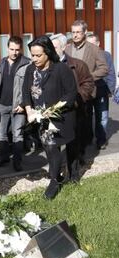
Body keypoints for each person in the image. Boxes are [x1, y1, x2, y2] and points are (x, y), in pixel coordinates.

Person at [22, 35, 77, 199]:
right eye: (32, 55)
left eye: (38, 55)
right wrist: (29, 111)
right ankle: (56, 179)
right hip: (41, 118)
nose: (34, 58)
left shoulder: (61, 69)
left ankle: (73, 173)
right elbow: (26, 93)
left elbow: (71, 93)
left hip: (61, 117)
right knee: (51, 148)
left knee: (68, 147)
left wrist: (54, 109)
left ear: (48, 53)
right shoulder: (30, 69)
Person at [51, 33, 94, 182]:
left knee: (72, 145)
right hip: (52, 113)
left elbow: (88, 83)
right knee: (53, 146)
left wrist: (75, 100)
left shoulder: (78, 64)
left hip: (72, 112)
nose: (51, 50)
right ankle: (55, 177)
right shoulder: (46, 66)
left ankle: (73, 176)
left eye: (54, 47)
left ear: (63, 47)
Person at [65, 20, 108, 152]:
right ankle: (78, 145)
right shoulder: (67, 48)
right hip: (71, 90)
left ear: (84, 33)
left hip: (87, 90)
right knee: (74, 121)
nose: (75, 35)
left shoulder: (94, 49)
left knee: (86, 118)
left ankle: (86, 146)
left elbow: (104, 69)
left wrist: (89, 77)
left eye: (78, 32)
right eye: (73, 32)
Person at [0, 36, 30, 172]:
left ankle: (17, 162)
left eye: (17, 50)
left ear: (21, 49)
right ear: (7, 48)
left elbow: (30, 88)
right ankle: (3, 157)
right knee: (0, 134)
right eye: (12, 49)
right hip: (1, 105)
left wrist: (24, 104)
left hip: (18, 106)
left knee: (17, 135)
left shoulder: (27, 64)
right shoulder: (0, 63)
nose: (14, 52)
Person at [87, 33, 116, 150]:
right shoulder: (84, 56)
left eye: (92, 44)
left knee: (102, 117)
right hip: (87, 92)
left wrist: (111, 89)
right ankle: (88, 138)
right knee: (87, 116)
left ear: (98, 43)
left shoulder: (106, 55)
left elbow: (111, 73)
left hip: (102, 91)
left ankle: (101, 140)